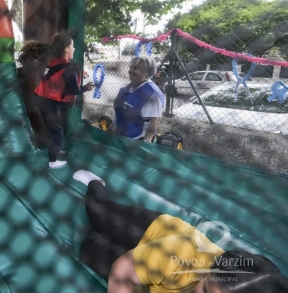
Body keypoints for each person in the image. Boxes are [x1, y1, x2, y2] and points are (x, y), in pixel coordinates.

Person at [73, 169, 288, 293]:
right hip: (156, 231)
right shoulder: (183, 256)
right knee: (97, 212)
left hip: (158, 267)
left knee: (89, 248)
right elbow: (122, 270)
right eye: (204, 290)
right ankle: (96, 183)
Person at [18, 32, 95, 169]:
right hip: (49, 104)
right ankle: (53, 161)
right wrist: (86, 88)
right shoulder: (70, 68)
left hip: (44, 102)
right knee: (57, 131)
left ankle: (56, 149)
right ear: (66, 48)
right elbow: (73, 91)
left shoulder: (52, 65)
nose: (74, 49)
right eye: (72, 45)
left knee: (54, 129)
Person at [111, 56, 165, 142]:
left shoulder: (152, 93)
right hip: (119, 136)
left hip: (137, 140)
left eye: (135, 68)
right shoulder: (126, 88)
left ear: (146, 73)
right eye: (130, 67)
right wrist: (111, 130)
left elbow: (155, 120)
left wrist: (146, 142)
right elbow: (118, 114)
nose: (130, 71)